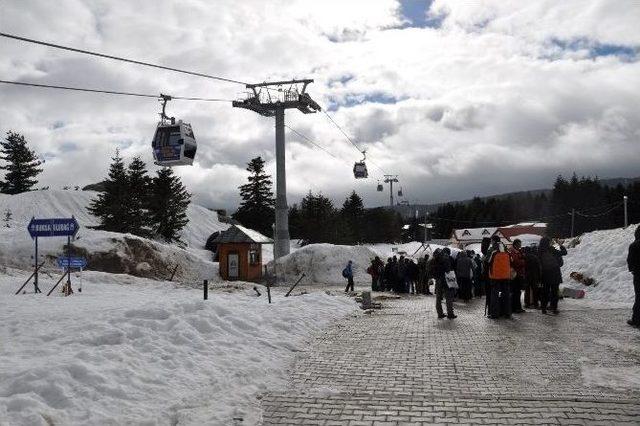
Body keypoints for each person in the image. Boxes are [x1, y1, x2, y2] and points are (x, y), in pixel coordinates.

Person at [538, 237, 567, 314]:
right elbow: (564, 252)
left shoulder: (539, 250)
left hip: (545, 274)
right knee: (554, 292)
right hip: (554, 272)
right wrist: (560, 245)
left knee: (545, 292)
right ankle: (554, 308)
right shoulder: (552, 249)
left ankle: (543, 308)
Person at [487, 235, 512, 319]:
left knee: (495, 295)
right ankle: (507, 313)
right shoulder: (506, 249)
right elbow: (511, 260)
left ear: (493, 241)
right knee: (506, 294)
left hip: (495, 276)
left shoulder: (492, 249)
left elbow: (487, 260)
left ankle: (495, 314)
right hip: (506, 275)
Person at [434, 248, 456, 319]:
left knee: (438, 298)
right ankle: (450, 313)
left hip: (438, 280)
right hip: (446, 280)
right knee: (448, 298)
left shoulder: (436, 259)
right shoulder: (448, 258)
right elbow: (449, 269)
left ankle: (440, 313)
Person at [627, 226, 640, 327]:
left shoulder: (634, 245)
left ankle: (636, 320)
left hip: (638, 275)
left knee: (639, 297)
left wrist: (632, 270)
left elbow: (630, 260)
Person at [509, 239, 526, 313]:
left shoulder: (517, 251)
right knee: (516, 292)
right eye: (519, 244)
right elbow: (516, 262)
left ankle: (518, 307)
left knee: (517, 292)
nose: (520, 245)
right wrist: (523, 261)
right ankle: (515, 308)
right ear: (516, 244)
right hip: (515, 274)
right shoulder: (513, 251)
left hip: (518, 274)